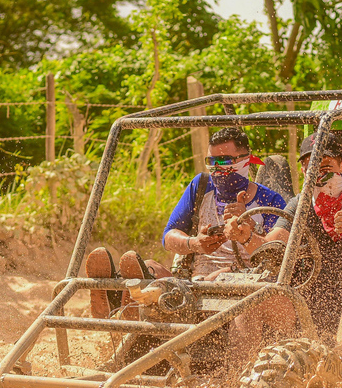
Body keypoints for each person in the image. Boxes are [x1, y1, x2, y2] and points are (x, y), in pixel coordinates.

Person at [224, 131, 342, 367]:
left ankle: (337, 375)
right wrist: (246, 236)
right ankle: (234, 385)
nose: (318, 174)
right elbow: (273, 248)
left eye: (325, 166)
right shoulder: (299, 205)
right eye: (310, 167)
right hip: (312, 310)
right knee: (254, 295)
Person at [85, 127, 287, 320]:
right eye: (211, 161)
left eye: (224, 161)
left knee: (215, 277)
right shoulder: (201, 186)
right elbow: (168, 237)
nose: (217, 168)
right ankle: (120, 301)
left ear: (245, 160)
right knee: (148, 266)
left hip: (242, 285)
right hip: (193, 284)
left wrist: (250, 227)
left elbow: (278, 256)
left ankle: (127, 303)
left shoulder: (270, 201)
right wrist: (194, 243)